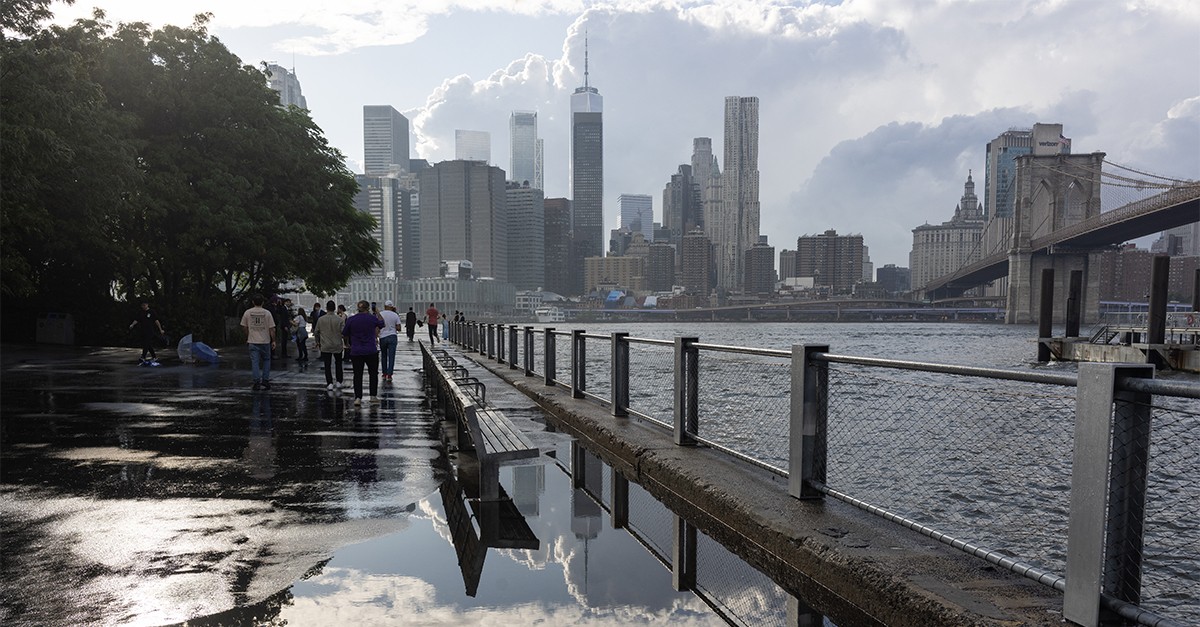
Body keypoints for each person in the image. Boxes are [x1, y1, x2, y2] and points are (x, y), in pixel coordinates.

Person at [342, 300, 384, 405]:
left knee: (357, 375)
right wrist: (378, 312)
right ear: (368, 308)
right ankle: (373, 396)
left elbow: (345, 333)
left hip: (356, 351)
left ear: (358, 308)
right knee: (373, 374)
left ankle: (358, 398)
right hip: (371, 350)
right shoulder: (372, 319)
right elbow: (382, 324)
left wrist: (347, 344)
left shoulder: (351, 319)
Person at [240, 295, 276, 390]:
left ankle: (256, 382)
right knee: (267, 360)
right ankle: (265, 380)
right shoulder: (267, 313)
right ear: (263, 303)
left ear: (253, 302)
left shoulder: (248, 312)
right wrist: (273, 340)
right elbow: (272, 329)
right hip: (265, 341)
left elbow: (244, 326)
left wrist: (248, 334)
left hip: (252, 340)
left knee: (255, 362)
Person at [314, 300, 344, 390]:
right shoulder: (339, 319)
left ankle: (329, 383)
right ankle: (339, 381)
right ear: (335, 308)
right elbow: (344, 332)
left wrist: (317, 342)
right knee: (338, 363)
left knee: (327, 365)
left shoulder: (321, 319)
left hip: (325, 345)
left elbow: (316, 332)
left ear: (326, 308)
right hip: (337, 344)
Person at [129, 302, 165, 366]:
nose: (143, 306)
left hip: (150, 330)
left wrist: (160, 329)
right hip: (143, 330)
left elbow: (156, 321)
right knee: (148, 344)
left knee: (146, 343)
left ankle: (143, 357)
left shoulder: (152, 312)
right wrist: (132, 324)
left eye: (144, 305)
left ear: (147, 305)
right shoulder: (141, 312)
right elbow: (137, 319)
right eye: (142, 305)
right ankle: (154, 357)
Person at [378, 300, 402, 382]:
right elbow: (399, 328)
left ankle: (384, 374)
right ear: (391, 307)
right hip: (392, 336)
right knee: (391, 356)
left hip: (383, 337)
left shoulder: (380, 314)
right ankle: (389, 375)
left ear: (384, 306)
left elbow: (377, 327)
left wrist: (376, 337)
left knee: (383, 356)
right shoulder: (395, 315)